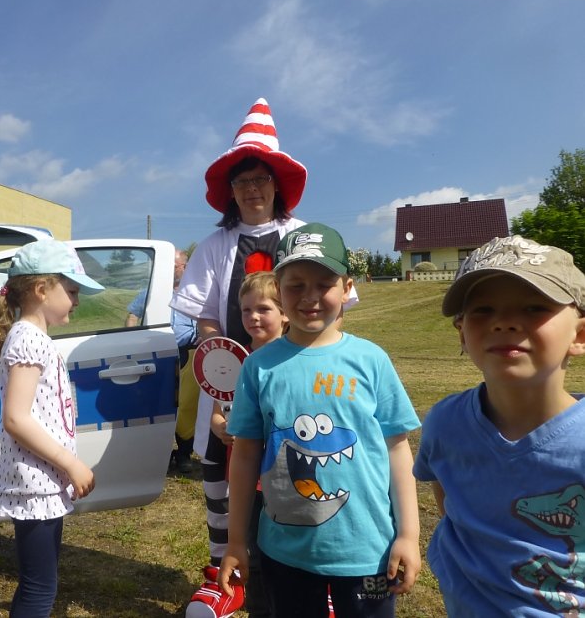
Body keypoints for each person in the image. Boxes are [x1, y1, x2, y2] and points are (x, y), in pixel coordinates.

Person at [218, 223, 421, 618]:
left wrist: (409, 535)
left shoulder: (371, 360)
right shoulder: (259, 367)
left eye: (324, 284)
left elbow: (397, 452)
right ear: (278, 289)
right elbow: (244, 457)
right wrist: (237, 540)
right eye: (296, 285)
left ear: (347, 288)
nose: (310, 297)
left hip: (368, 550)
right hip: (283, 553)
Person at [172, 98, 309, 618]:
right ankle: (225, 579)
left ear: (277, 184)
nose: (252, 188)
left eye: (261, 178)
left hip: (295, 387)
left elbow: (331, 314)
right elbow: (206, 321)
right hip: (227, 395)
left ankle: (283, 585)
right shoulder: (213, 246)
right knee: (223, 486)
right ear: (230, 190)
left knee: (291, 484)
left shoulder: (304, 237)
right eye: (242, 180)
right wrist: (227, 388)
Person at [413, 235, 585, 616]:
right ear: (461, 333)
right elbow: (447, 497)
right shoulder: (445, 422)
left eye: (534, 307)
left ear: (580, 335)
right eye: (483, 310)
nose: (505, 322)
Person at [0, 239, 104, 618]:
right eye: (71, 291)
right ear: (41, 290)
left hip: (42, 478)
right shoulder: (28, 340)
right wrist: (70, 463)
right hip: (35, 480)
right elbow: (16, 418)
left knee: (40, 582)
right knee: (40, 588)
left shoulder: (32, 337)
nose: (77, 300)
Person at [211, 270, 288, 617]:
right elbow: (217, 413)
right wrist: (221, 429)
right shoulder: (231, 360)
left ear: (285, 312)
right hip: (247, 479)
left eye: (264, 309)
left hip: (285, 479)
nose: (253, 317)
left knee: (286, 550)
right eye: (245, 310)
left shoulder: (293, 359)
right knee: (253, 554)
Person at [127, 249, 200, 472]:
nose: (169, 271)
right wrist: (133, 342)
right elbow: (132, 315)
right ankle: (162, 453)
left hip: (189, 352)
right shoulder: (151, 292)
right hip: (157, 355)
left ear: (185, 268)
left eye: (174, 266)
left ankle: (185, 454)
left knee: (187, 406)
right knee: (158, 403)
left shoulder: (196, 292)